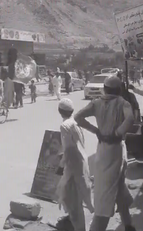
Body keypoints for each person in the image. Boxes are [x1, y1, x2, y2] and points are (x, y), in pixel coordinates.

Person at [73, 77, 136, 231]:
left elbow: (78, 117)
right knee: (108, 193)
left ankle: (128, 225)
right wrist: (117, 133)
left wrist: (96, 131)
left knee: (110, 187)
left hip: (103, 149)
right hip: (116, 149)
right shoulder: (123, 103)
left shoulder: (96, 103)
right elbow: (131, 118)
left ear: (105, 89)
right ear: (119, 89)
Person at [55, 98, 95, 231]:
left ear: (59, 111)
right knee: (74, 201)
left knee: (72, 203)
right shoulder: (74, 123)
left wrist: (62, 166)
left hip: (73, 167)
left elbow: (69, 149)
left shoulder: (65, 126)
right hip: (80, 164)